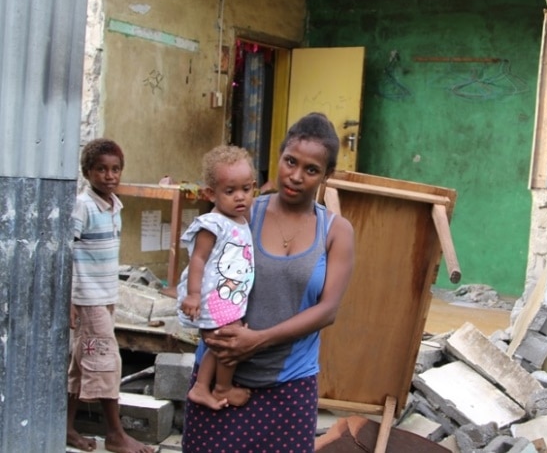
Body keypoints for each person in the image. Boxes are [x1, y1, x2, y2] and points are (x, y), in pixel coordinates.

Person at [182, 112, 355, 452]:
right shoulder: (241, 214)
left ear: (327, 175)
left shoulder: (336, 231)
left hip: (288, 387)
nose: (295, 176)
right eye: (290, 161)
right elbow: (200, 269)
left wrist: (258, 340)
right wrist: (202, 320)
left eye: (311, 169)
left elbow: (328, 310)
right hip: (220, 378)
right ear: (279, 157)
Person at [66, 138, 154, 453]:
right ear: (88, 172)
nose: (109, 175)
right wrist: (71, 299)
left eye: (115, 169)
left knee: (81, 363)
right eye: (101, 169)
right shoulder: (83, 205)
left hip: (104, 297)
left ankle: (66, 427)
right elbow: (69, 250)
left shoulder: (114, 204)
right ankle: (115, 434)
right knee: (108, 362)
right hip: (87, 299)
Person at [176, 145, 257, 410]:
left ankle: (201, 387)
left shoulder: (239, 220)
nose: (240, 197)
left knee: (217, 346)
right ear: (211, 193)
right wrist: (193, 295)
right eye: (230, 191)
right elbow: (197, 259)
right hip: (212, 299)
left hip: (228, 298)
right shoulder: (212, 223)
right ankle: (222, 388)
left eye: (246, 189)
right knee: (228, 347)